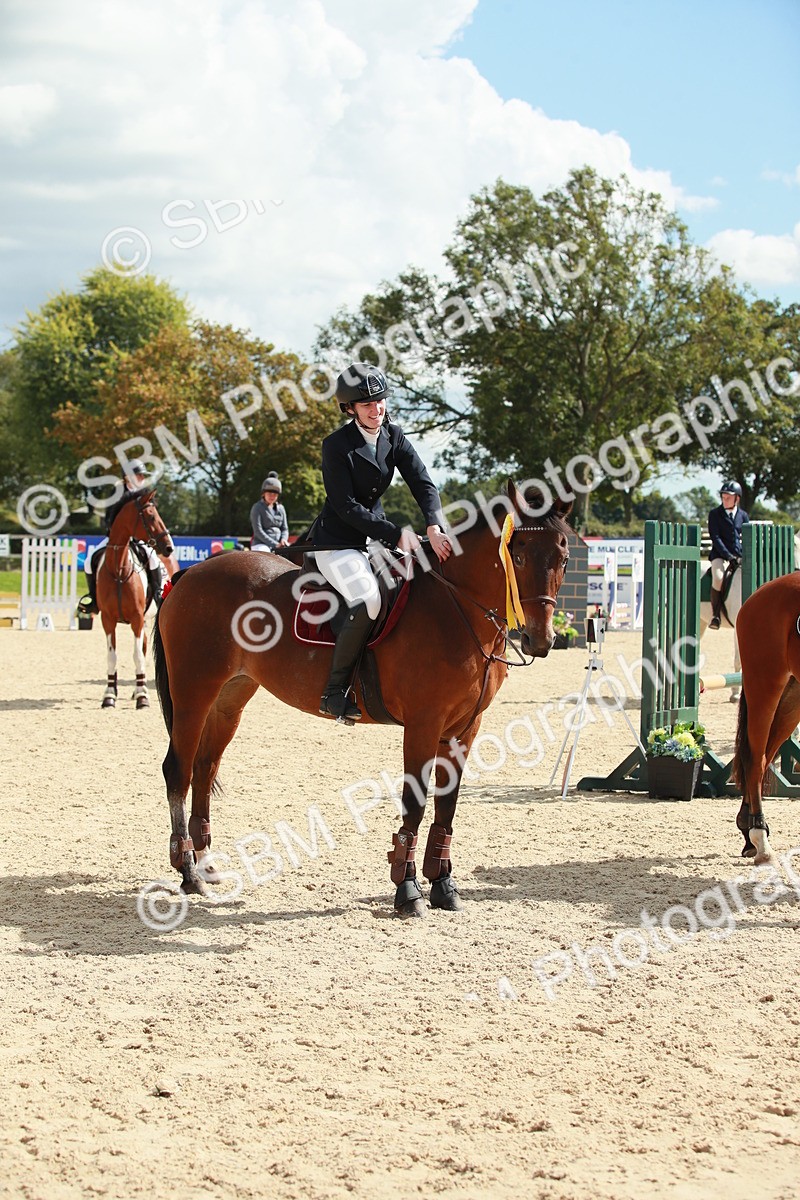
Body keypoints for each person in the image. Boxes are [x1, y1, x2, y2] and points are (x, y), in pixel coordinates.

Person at [313, 362, 452, 722]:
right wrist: (395, 533)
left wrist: (434, 524)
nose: (377, 410)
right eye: (367, 405)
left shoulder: (395, 436)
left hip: (374, 539)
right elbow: (346, 507)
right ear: (349, 409)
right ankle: (334, 691)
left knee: (415, 583)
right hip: (338, 541)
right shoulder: (335, 446)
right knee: (369, 598)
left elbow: (423, 483)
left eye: (381, 402)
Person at [82, 461, 174, 614]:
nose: (142, 477)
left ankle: (157, 593)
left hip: (137, 539)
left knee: (153, 561)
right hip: (116, 539)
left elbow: (151, 515)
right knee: (88, 561)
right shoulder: (117, 492)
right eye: (139, 474)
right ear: (127, 477)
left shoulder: (144, 492)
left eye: (142, 475)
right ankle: (93, 598)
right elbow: (109, 517)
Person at [708, 480, 750, 629]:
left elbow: (746, 537)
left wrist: (743, 556)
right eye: (723, 497)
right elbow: (716, 538)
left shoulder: (743, 515)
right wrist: (728, 556)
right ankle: (716, 615)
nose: (724, 499)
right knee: (719, 578)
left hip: (739, 556)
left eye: (728, 497)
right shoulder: (714, 514)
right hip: (720, 555)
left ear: (736, 498)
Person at [250, 472, 289, 553]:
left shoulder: (281, 508)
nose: (272, 496)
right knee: (267, 556)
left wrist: (283, 540)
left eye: (275, 494)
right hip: (261, 544)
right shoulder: (257, 508)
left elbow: (285, 529)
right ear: (264, 493)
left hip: (280, 544)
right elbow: (258, 531)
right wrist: (275, 544)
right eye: (269, 493)